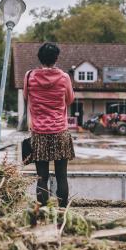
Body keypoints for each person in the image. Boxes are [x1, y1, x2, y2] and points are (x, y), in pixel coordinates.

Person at [24, 43, 75, 207]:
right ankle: (62, 213)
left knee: (42, 177)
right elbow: (70, 99)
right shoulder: (64, 77)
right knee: (62, 176)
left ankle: (43, 212)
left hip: (39, 133)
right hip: (60, 131)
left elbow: (26, 97)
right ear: (56, 58)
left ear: (39, 57)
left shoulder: (29, 76)